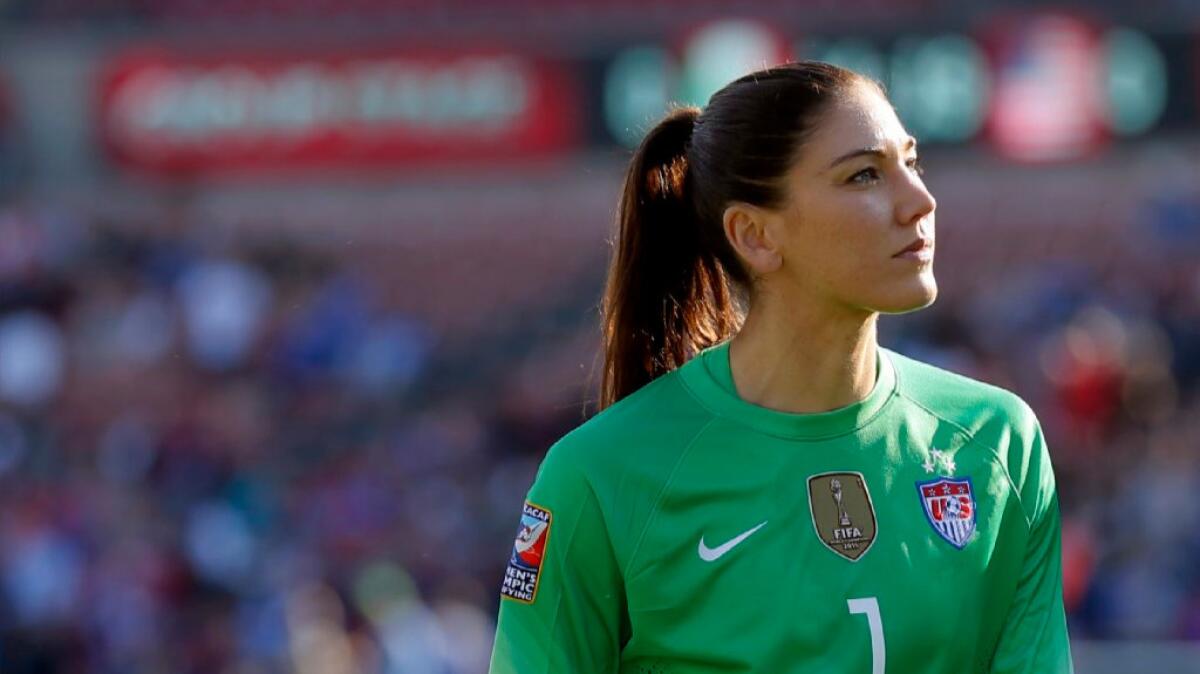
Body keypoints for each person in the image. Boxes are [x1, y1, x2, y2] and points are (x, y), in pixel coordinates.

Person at [488, 61, 1073, 673]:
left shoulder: (998, 441)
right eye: (865, 175)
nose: (919, 201)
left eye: (912, 163)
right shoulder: (598, 473)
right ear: (755, 235)